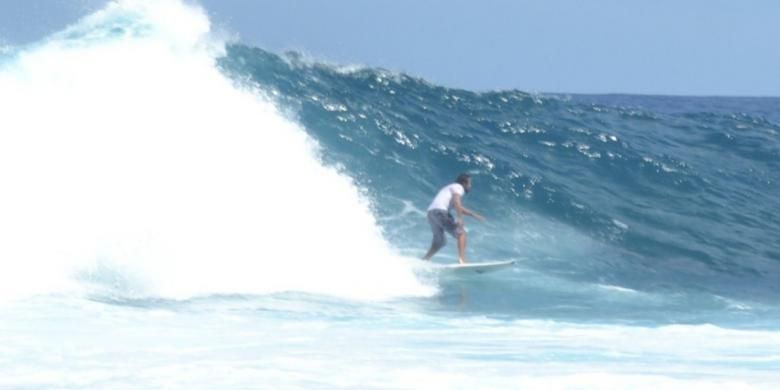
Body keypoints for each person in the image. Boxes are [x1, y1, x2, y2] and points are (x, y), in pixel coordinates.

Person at [422, 173, 486, 264]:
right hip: (440, 211)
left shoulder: (450, 187)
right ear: (464, 183)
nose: (470, 186)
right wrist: (460, 218)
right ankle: (462, 260)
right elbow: (457, 202)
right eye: (469, 183)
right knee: (462, 233)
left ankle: (424, 260)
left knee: (440, 242)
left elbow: (459, 207)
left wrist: (474, 215)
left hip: (431, 213)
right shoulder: (459, 187)